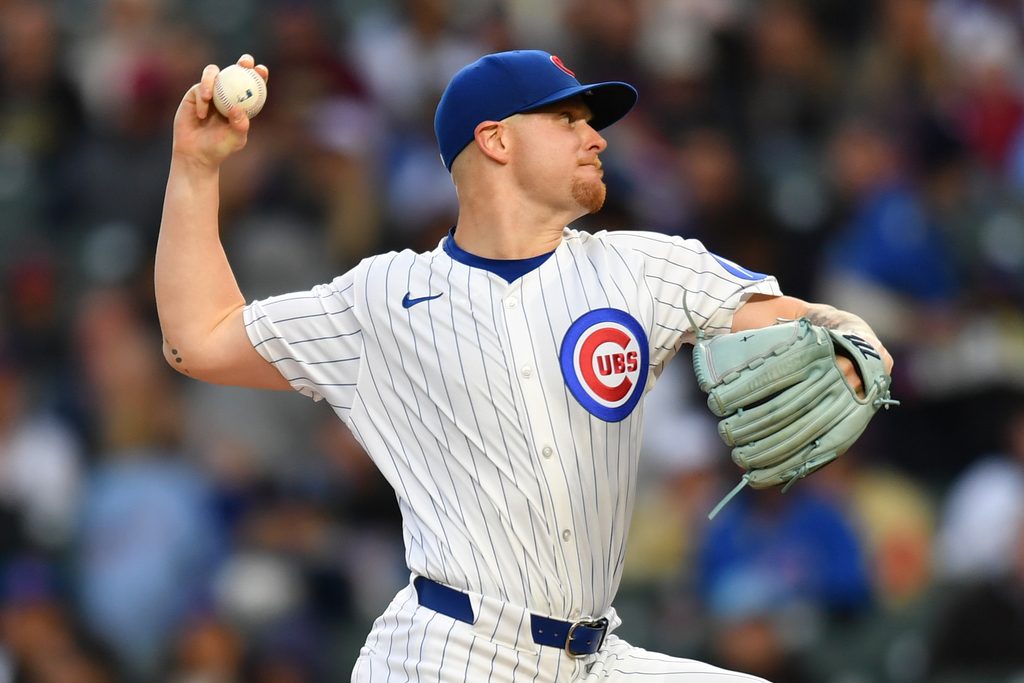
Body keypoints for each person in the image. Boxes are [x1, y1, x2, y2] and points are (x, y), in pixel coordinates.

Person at [155, 50, 893, 682]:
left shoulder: (639, 268)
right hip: (448, 652)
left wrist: (857, 338)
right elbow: (200, 337)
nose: (595, 139)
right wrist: (195, 169)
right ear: (497, 139)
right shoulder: (384, 296)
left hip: (591, 654)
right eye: (567, 120)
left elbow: (798, 318)